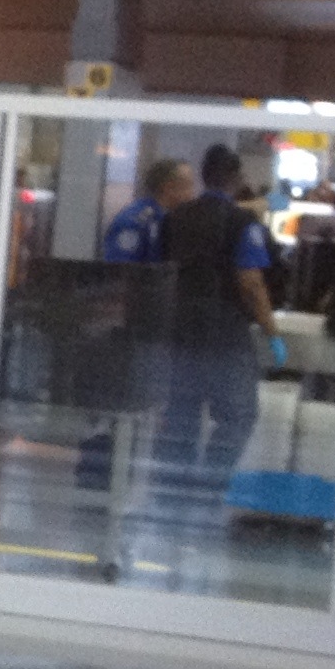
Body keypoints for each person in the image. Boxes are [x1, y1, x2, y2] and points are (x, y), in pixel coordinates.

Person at [158, 141, 275, 494]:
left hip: (179, 329)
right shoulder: (242, 223)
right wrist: (272, 331)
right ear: (236, 179)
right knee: (239, 415)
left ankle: (173, 488)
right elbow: (251, 283)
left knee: (181, 413)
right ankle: (209, 483)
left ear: (204, 176)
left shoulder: (174, 219)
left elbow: (159, 272)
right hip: (225, 334)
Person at [103, 157, 195, 263]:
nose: (192, 195)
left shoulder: (170, 221)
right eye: (188, 186)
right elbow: (120, 268)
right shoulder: (133, 222)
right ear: (169, 188)